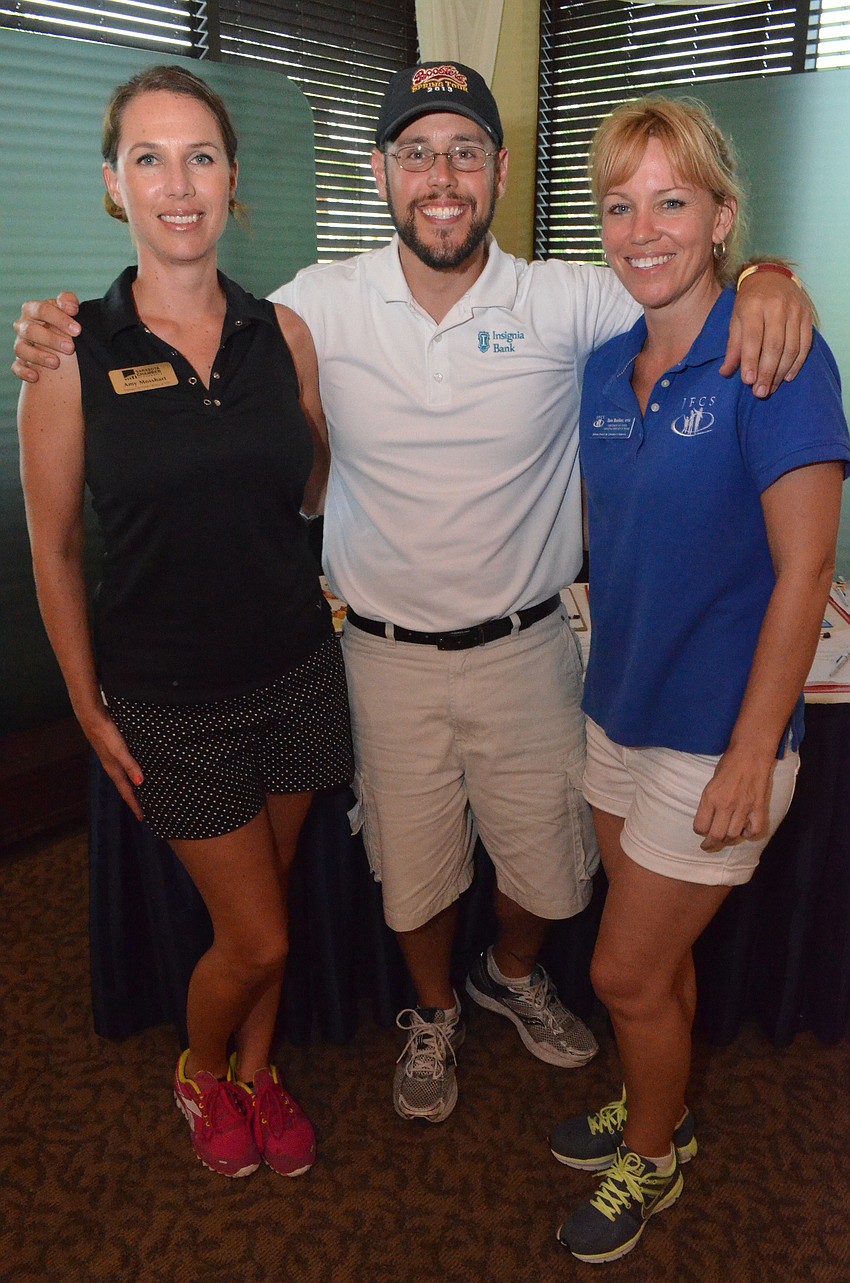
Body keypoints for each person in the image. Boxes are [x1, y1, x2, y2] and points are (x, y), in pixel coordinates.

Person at [12, 63, 814, 1128]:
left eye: (465, 151)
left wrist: (770, 268)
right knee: (413, 876)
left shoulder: (564, 296)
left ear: (500, 170)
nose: (441, 176)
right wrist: (54, 330)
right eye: (416, 152)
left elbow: (684, 269)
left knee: (553, 877)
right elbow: (181, 319)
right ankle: (431, 1005)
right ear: (381, 170)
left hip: (529, 648)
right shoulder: (311, 309)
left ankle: (510, 969)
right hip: (377, 653)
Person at [16, 65, 354, 1180]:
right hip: (171, 701)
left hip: (301, 673)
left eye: (200, 156)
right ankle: (201, 1067)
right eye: (150, 159)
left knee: (284, 896)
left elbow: (305, 495)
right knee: (257, 933)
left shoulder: (282, 333)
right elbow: (57, 548)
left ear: (231, 181)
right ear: (115, 185)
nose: (178, 182)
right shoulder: (70, 354)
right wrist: (85, 702)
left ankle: (259, 1072)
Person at [548, 96, 849, 1264]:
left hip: (715, 736)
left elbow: (802, 569)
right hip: (616, 712)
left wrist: (749, 749)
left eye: (671, 200)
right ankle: (653, 1090)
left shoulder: (774, 351)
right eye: (619, 204)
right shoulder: (605, 365)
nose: (641, 227)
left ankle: (658, 1149)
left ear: (722, 216)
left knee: (621, 966)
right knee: (651, 965)